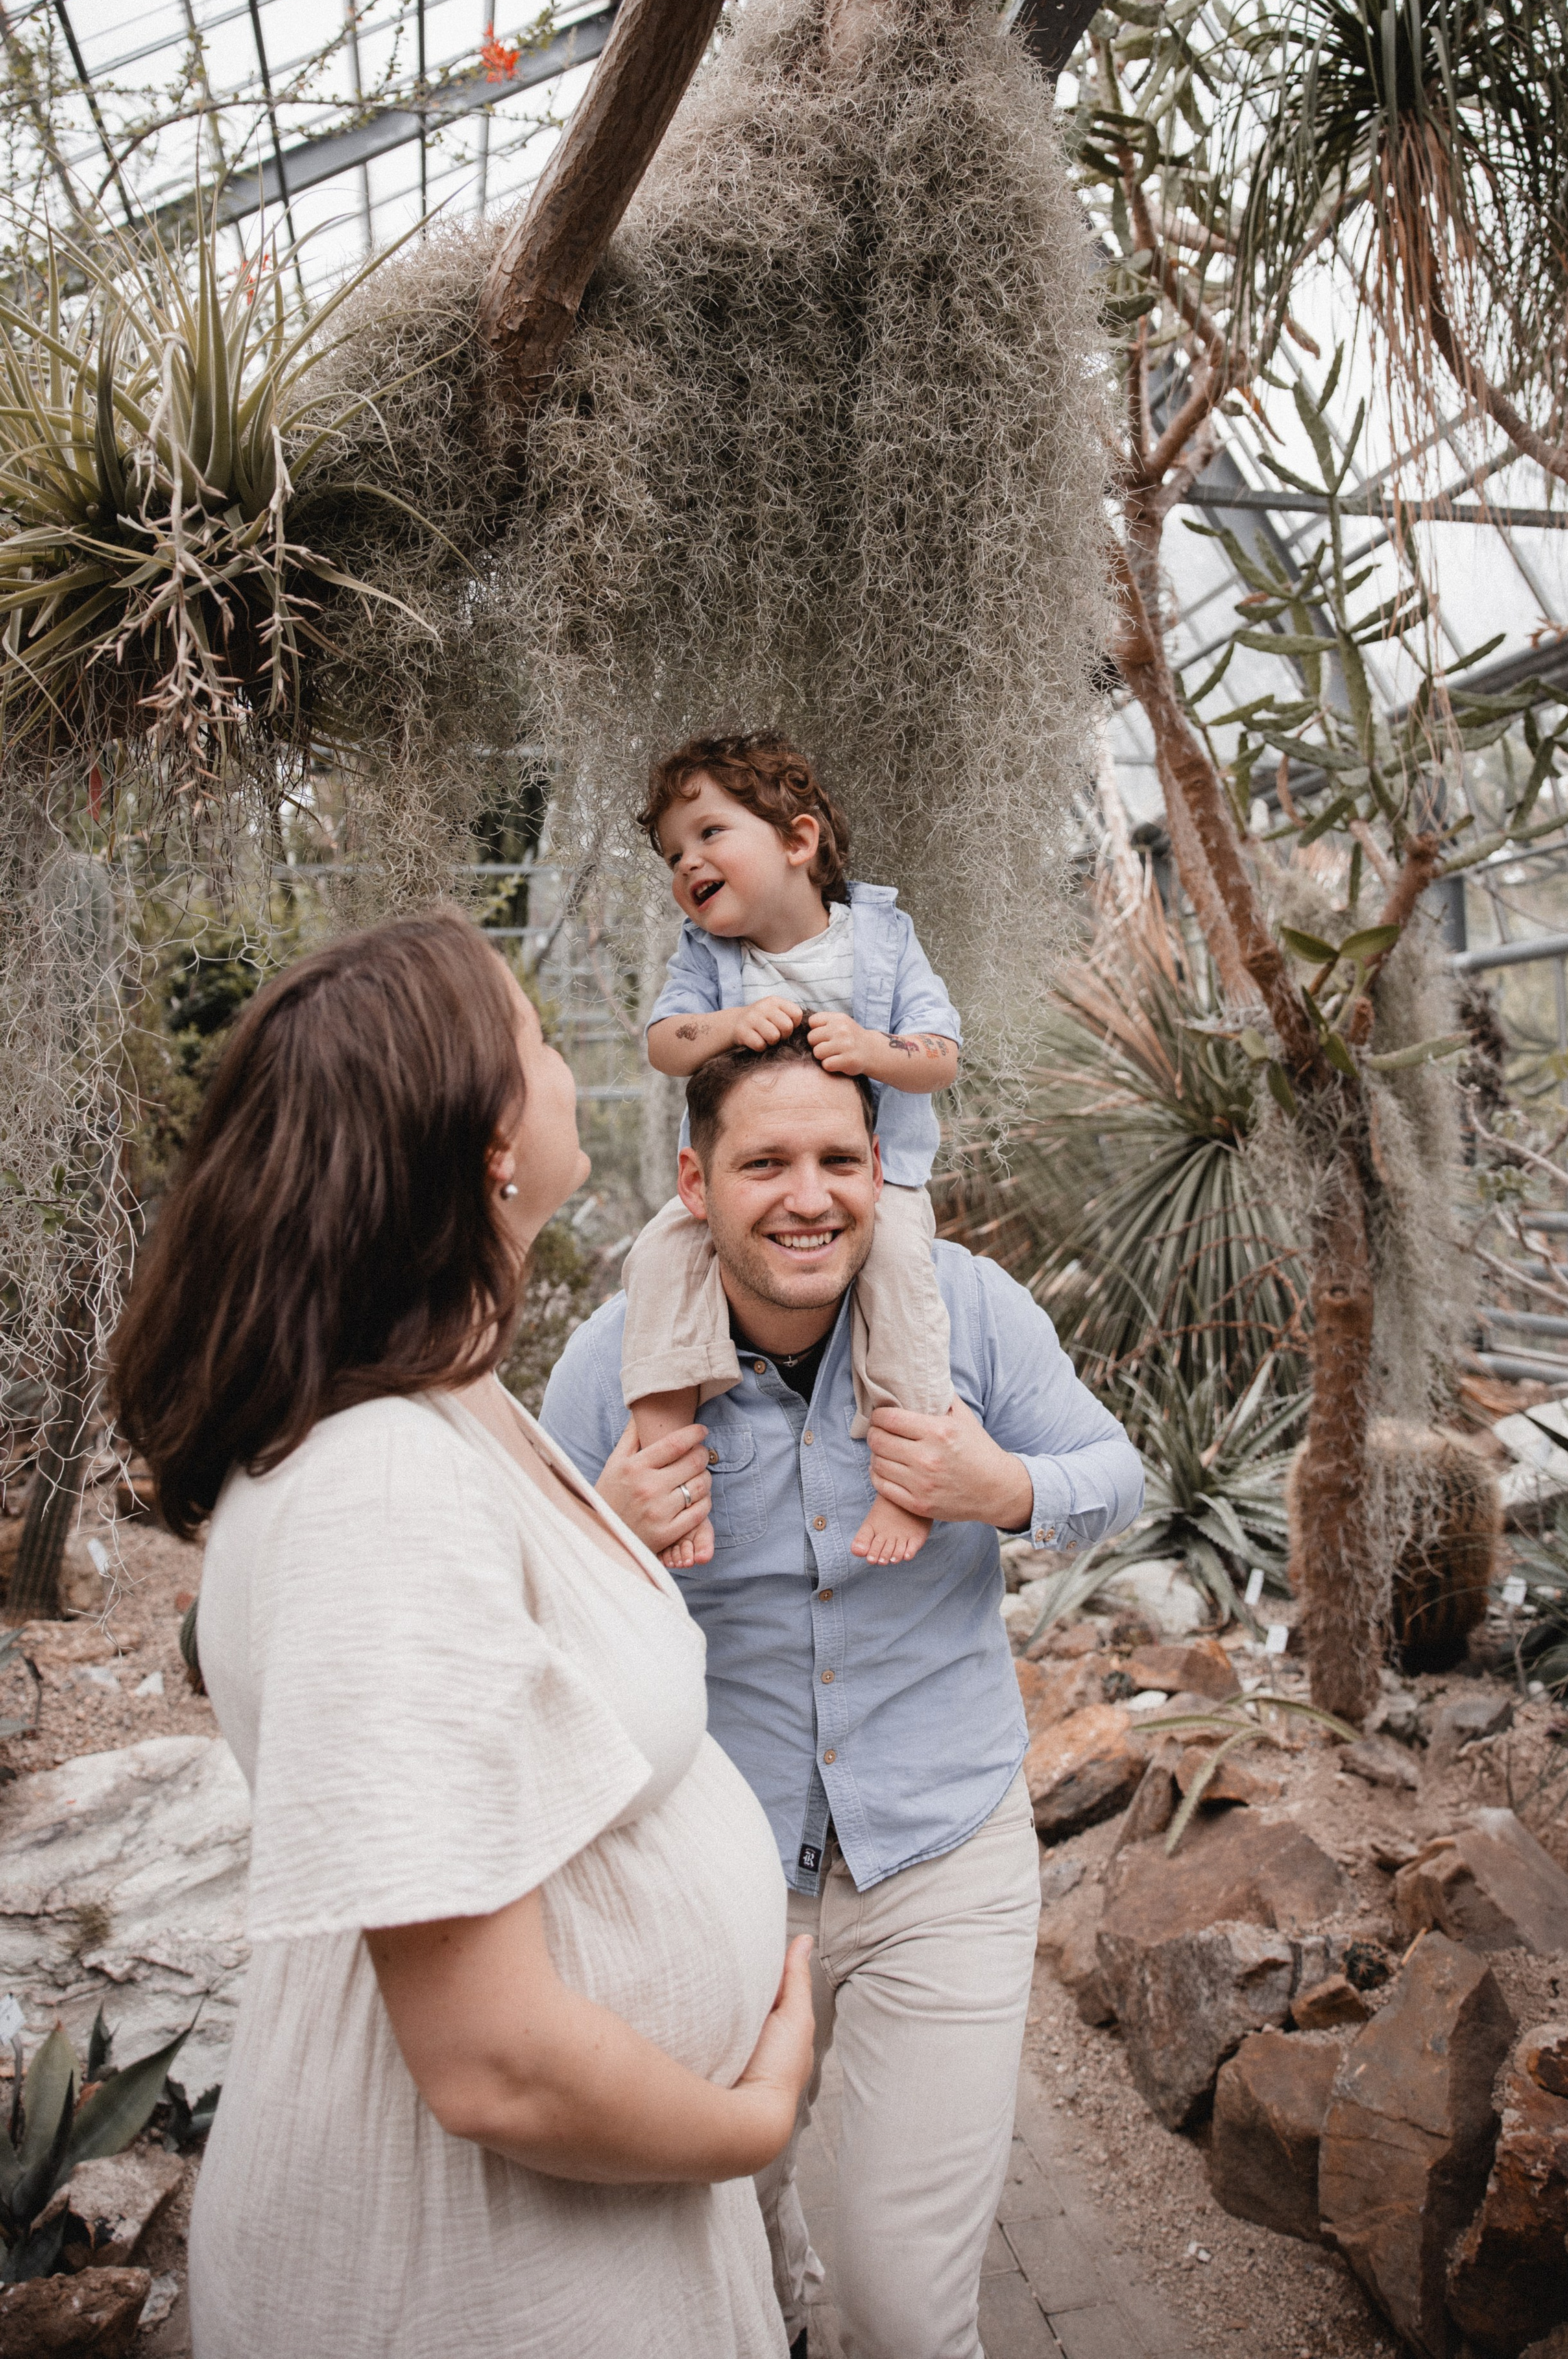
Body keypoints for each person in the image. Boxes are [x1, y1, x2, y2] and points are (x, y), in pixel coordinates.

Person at [109, 914, 815, 2359]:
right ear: (487, 1135)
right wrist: (747, 2124)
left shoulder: (448, 1405)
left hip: (579, 2234)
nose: (569, 1067)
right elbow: (493, 2063)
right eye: (542, 1040)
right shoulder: (381, 1481)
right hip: (468, 2271)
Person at [540, 1028, 1144, 2359]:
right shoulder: (611, 1365)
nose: (806, 1196)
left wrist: (1009, 1491)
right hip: (716, 1874)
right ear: (695, 1186)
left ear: (880, 1170)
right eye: (764, 1162)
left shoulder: (969, 1310)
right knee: (728, 2248)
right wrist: (601, 1525)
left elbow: (1120, 1472)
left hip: (941, 1855)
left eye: (836, 1159)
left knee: (903, 2305)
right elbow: (515, 1619)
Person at [625, 731, 961, 1569]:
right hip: (741, 1194)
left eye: (708, 833)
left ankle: (909, 1471)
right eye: (672, 853)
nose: (686, 863)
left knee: (900, 1277)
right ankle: (668, 1467)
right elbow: (665, 1043)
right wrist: (729, 1026)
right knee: (660, 1254)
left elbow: (941, 1056)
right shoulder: (705, 957)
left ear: (797, 841)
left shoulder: (881, 940)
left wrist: (873, 1051)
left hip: (872, 1189)